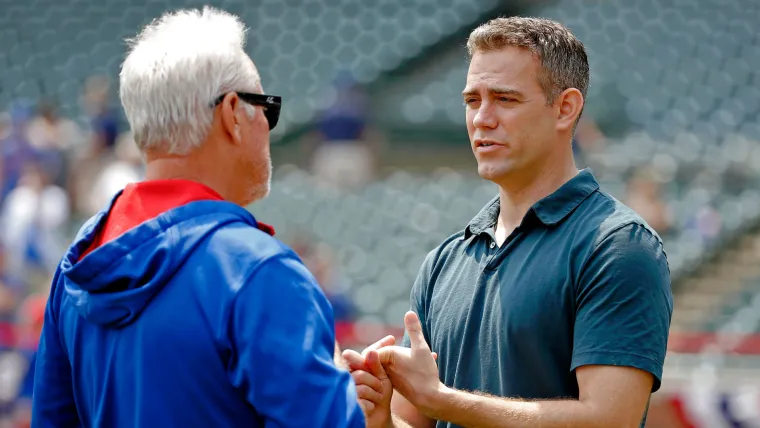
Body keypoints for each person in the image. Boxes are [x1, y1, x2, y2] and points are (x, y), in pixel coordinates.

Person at [32, 7, 367, 427]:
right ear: (231, 113)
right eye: (265, 107)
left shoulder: (81, 257)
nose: (267, 124)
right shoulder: (258, 270)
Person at [344, 17, 673, 428]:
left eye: (504, 99)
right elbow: (419, 418)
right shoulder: (445, 261)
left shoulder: (618, 246)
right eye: (471, 100)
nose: (482, 118)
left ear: (565, 109)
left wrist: (443, 401)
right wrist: (381, 420)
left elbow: (608, 421)